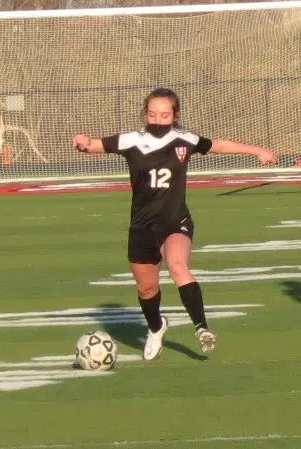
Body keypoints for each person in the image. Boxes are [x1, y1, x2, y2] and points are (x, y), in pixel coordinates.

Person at [73, 87, 277, 360]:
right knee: (147, 289)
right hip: (142, 226)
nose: (158, 120)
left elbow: (218, 145)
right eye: (153, 114)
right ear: (145, 114)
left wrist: (257, 150)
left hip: (175, 221)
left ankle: (201, 328)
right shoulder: (131, 140)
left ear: (175, 115)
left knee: (178, 266)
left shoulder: (185, 139)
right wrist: (84, 142)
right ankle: (156, 327)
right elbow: (94, 145)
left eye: (165, 115)